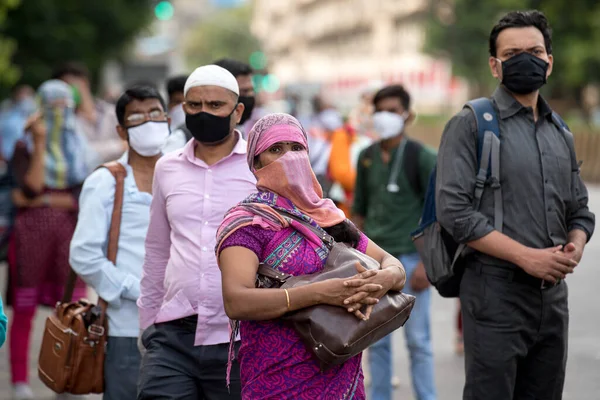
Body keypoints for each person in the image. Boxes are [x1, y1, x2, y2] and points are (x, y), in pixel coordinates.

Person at [436, 10, 594, 400]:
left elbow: (580, 209)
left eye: (535, 50)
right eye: (513, 53)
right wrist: (526, 257)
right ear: (495, 64)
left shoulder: (562, 132)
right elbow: (453, 211)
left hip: (552, 298)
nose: (526, 58)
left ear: (549, 61)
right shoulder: (472, 123)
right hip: (494, 295)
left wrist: (574, 246)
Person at [215, 113, 407, 399]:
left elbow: (394, 266)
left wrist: (384, 278)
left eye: (296, 148)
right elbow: (236, 300)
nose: (289, 157)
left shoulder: (328, 217)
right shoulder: (248, 222)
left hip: (341, 374)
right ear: (256, 163)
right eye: (276, 149)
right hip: (277, 377)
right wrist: (320, 293)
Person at [137, 64, 255, 399]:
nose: (204, 113)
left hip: (240, 339)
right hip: (172, 336)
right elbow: (158, 248)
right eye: (194, 105)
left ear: (237, 111)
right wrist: (148, 320)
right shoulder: (167, 167)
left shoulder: (260, 168)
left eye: (215, 106)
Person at [69, 85, 169, 399]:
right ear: (121, 131)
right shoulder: (106, 181)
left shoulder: (184, 176)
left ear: (166, 118)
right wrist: (134, 288)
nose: (149, 122)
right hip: (128, 326)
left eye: (154, 113)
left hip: (187, 327)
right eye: (137, 117)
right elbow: (83, 253)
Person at [352, 84, 437, 400]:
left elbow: (439, 214)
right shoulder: (366, 157)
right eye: (380, 111)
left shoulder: (423, 157)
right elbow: (358, 212)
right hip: (373, 263)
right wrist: (349, 258)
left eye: (392, 110)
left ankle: (427, 396)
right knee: (376, 340)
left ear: (407, 115)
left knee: (418, 340)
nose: (385, 117)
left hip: (413, 262)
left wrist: (428, 264)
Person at [7, 80, 90, 400]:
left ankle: (66, 380)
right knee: (25, 309)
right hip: (30, 237)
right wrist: (40, 143)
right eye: (51, 106)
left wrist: (42, 200)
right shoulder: (23, 145)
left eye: (63, 107)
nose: (59, 114)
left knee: (70, 310)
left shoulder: (78, 145)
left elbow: (81, 197)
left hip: (69, 235)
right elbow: (30, 186)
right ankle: (19, 381)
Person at [163, 59, 257, 153]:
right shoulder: (180, 141)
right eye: (244, 91)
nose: (249, 96)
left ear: (238, 111)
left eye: (251, 91)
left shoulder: (252, 157)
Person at [53, 62, 126, 164]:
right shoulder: (65, 122)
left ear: (84, 81)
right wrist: (119, 146)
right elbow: (79, 154)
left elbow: (131, 144)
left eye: (69, 85)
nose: (66, 92)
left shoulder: (113, 112)